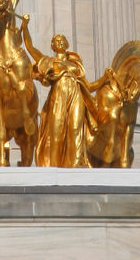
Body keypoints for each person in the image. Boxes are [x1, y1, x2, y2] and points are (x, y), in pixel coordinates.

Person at [20, 18, 97, 168]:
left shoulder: (76, 65)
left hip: (76, 96)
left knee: (75, 129)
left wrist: (107, 78)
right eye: (56, 40)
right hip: (58, 98)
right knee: (56, 132)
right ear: (53, 46)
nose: (59, 41)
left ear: (67, 44)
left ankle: (75, 165)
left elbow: (88, 86)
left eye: (62, 39)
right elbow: (30, 48)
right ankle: (53, 168)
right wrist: (25, 27)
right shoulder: (49, 61)